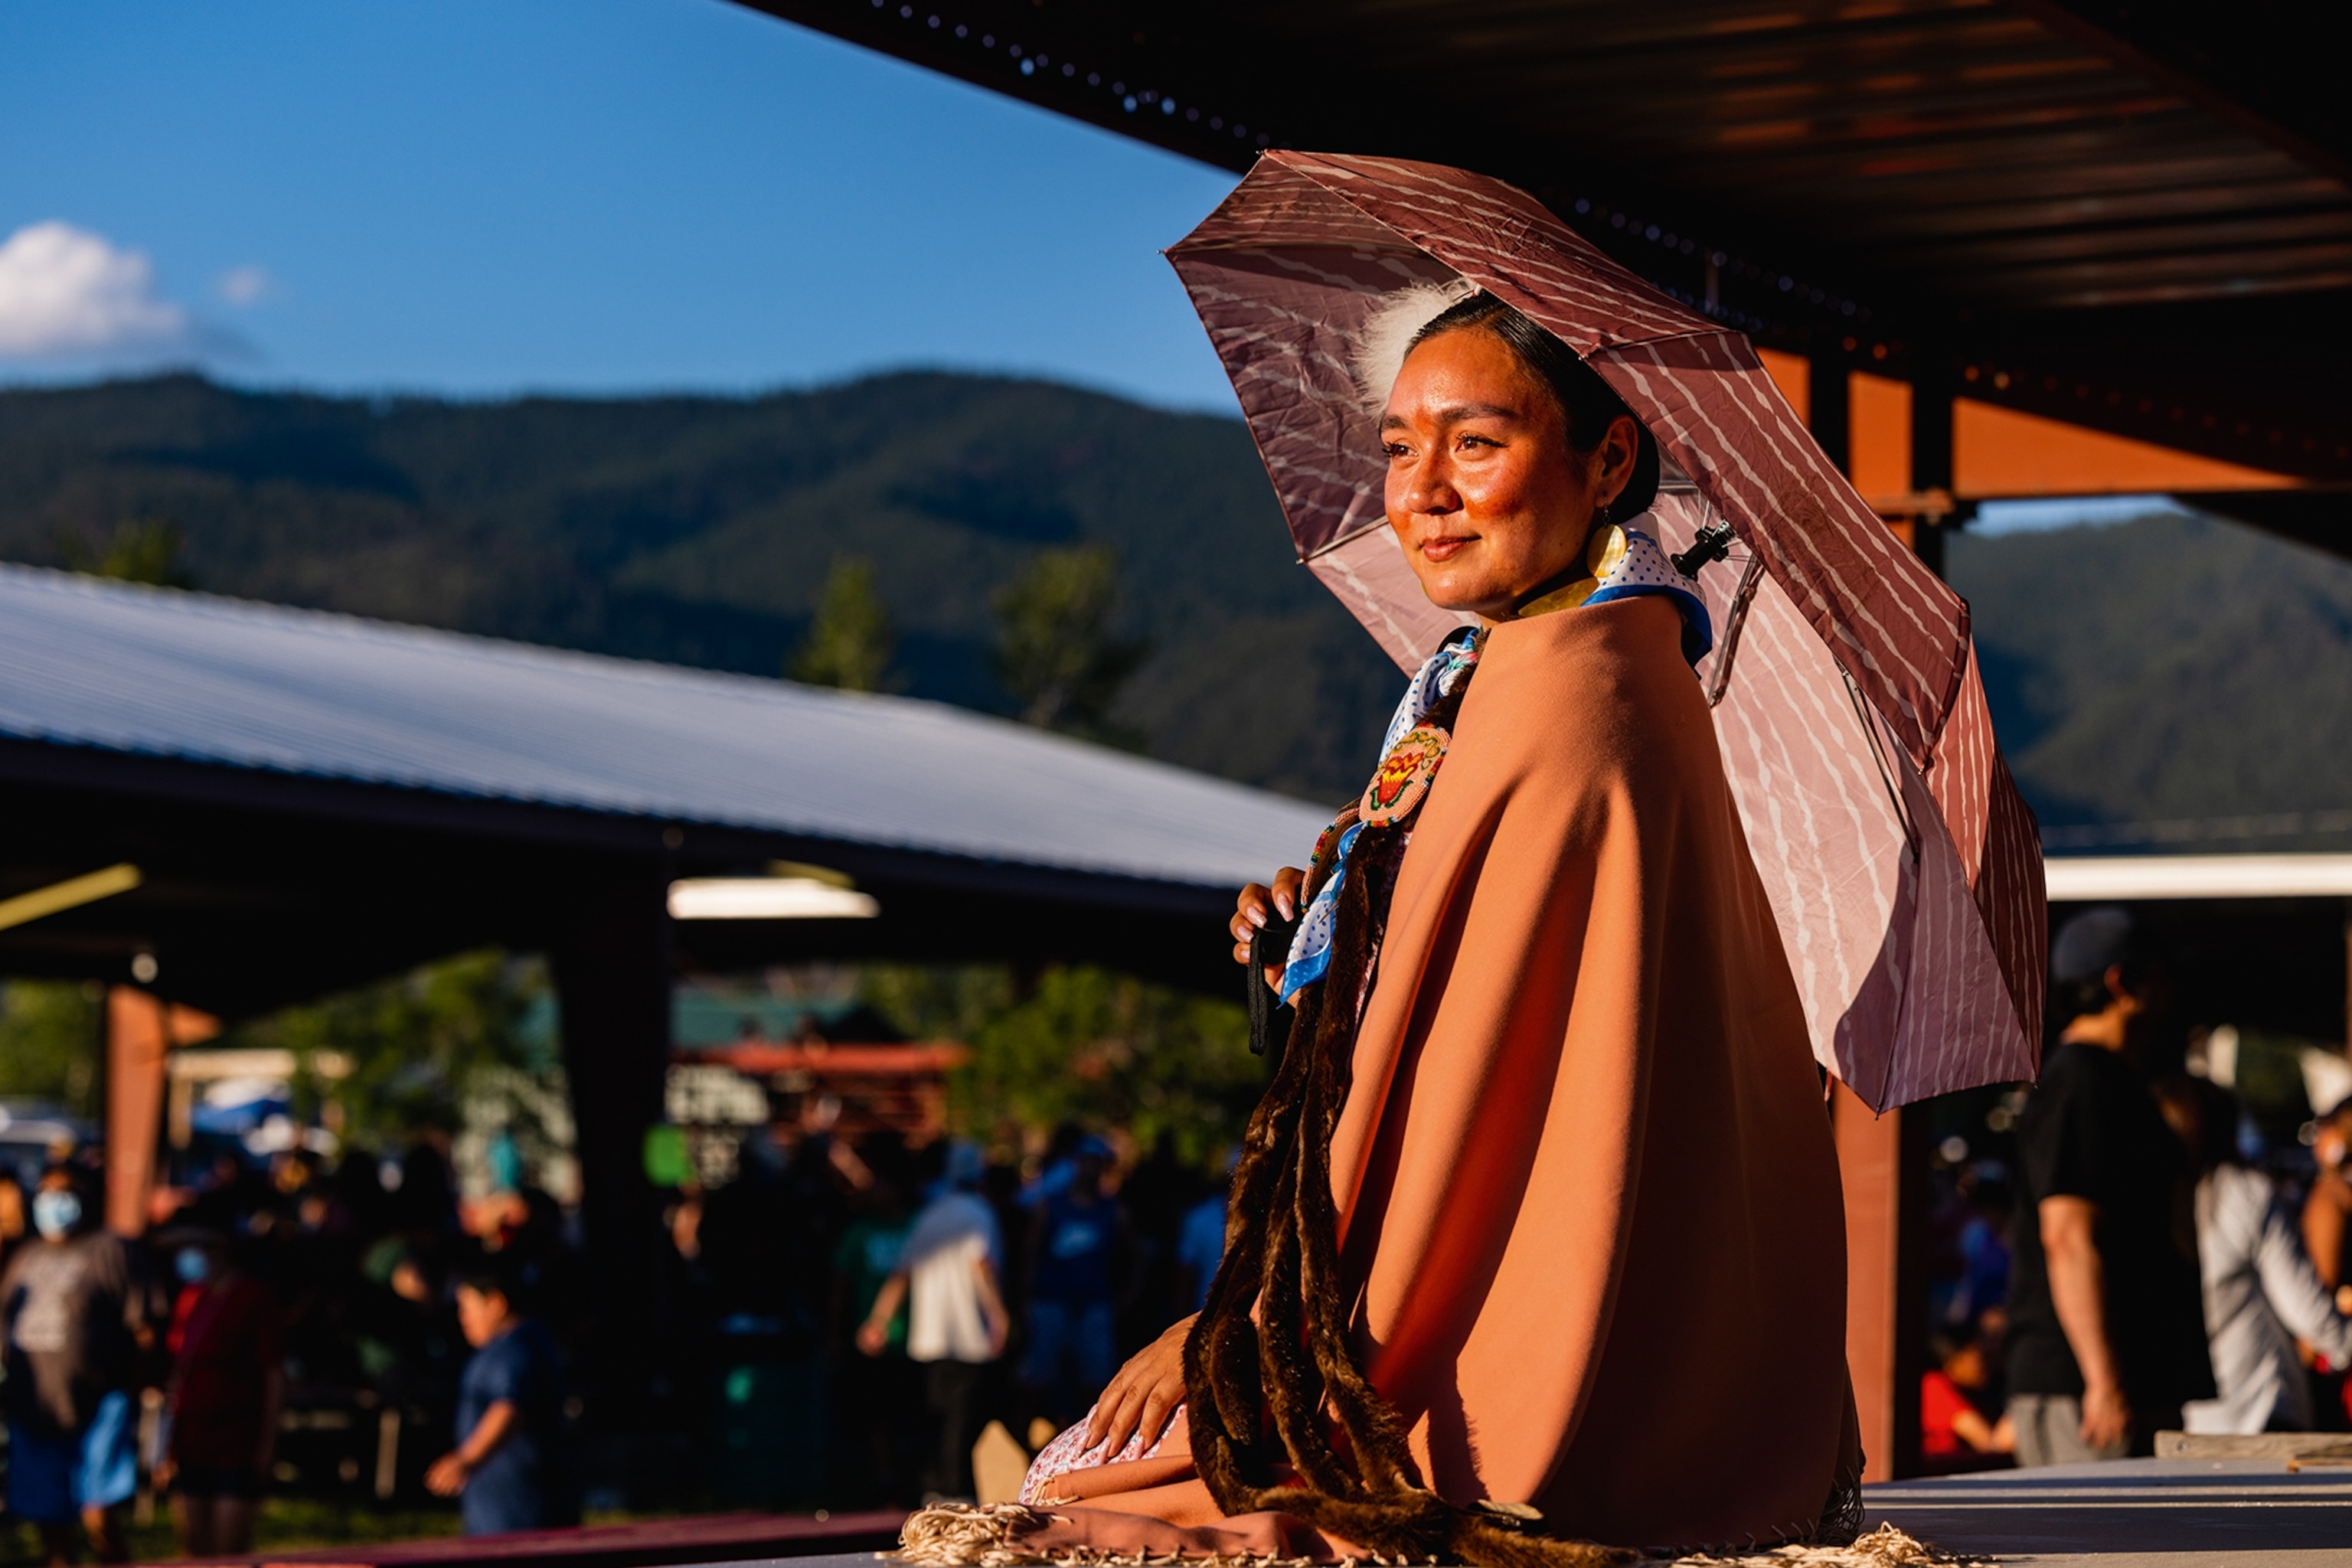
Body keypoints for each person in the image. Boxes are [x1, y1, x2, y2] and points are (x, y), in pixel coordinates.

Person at [1008, 289, 1854, 1559]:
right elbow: (1434, 986)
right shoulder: (1513, 665)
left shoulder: (1566, 687)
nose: (1422, 491)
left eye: (1475, 442)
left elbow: (1460, 1084)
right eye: (1400, 447)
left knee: (1085, 1485)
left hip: (1497, 1361)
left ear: (1606, 457)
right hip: (1657, 1385)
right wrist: (1316, 927)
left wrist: (1233, 1330)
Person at [2004, 909, 2214, 1465]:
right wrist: (2103, 1380)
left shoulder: (2113, 1082)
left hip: (2122, 1382)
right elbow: (2068, 1236)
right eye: (2161, 974)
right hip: (2086, 1393)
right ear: (2123, 983)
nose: (2172, 991)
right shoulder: (2080, 1081)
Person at [2151, 1076, 2352, 1433]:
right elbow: (2308, 1311)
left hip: (2195, 1423)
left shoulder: (2151, 1205)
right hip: (2262, 1409)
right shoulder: (2242, 1193)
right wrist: (2343, 1342)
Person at [0, 1166, 161, 1566]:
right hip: (34, 1409)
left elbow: (146, 1329)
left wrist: (136, 1387)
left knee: (99, 1513)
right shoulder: (27, 1255)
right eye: (46, 1192)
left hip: (98, 1405)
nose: (54, 1202)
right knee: (48, 1519)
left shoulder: (111, 1250)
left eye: (65, 1192)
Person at [859, 1142, 1009, 1501]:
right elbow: (982, 1264)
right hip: (968, 1338)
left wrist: (878, 1320)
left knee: (936, 1420)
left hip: (930, 1339)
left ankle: (935, 1489)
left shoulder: (930, 1215)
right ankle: (957, 1495)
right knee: (962, 1422)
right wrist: (999, 1317)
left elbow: (902, 1274)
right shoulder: (980, 1213)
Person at [155, 1228, 284, 1554]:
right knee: (194, 1548)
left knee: (230, 1552)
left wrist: (266, 1447)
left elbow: (273, 1374)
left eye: (192, 1246)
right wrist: (167, 1447)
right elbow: (179, 1373)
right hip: (191, 1438)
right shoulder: (190, 1298)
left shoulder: (253, 1297)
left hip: (237, 1440)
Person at [426, 1262, 577, 1534]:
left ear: (496, 1303)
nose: (462, 1317)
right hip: (500, 1506)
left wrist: (466, 1459)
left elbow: (509, 1407)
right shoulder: (517, 1344)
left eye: (468, 1307)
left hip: (520, 1509)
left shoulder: (515, 1350)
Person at [1021, 1135, 1131, 1427]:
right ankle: (1032, 1438)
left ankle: (1086, 1435)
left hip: (1094, 1306)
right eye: (1086, 1162)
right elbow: (1031, 1255)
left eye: (1097, 1163)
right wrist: (1026, 1301)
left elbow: (1134, 1258)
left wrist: (1125, 1298)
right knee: (1039, 1377)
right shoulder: (1050, 1207)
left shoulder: (1113, 1211)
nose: (1091, 1169)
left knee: (1094, 1381)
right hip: (1051, 1304)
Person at [1920, 1327, 2013, 1471]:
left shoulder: (1975, 1393)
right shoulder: (1934, 1386)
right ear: (1954, 1359)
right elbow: (1987, 1442)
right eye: (1978, 1353)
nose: (1987, 1361)